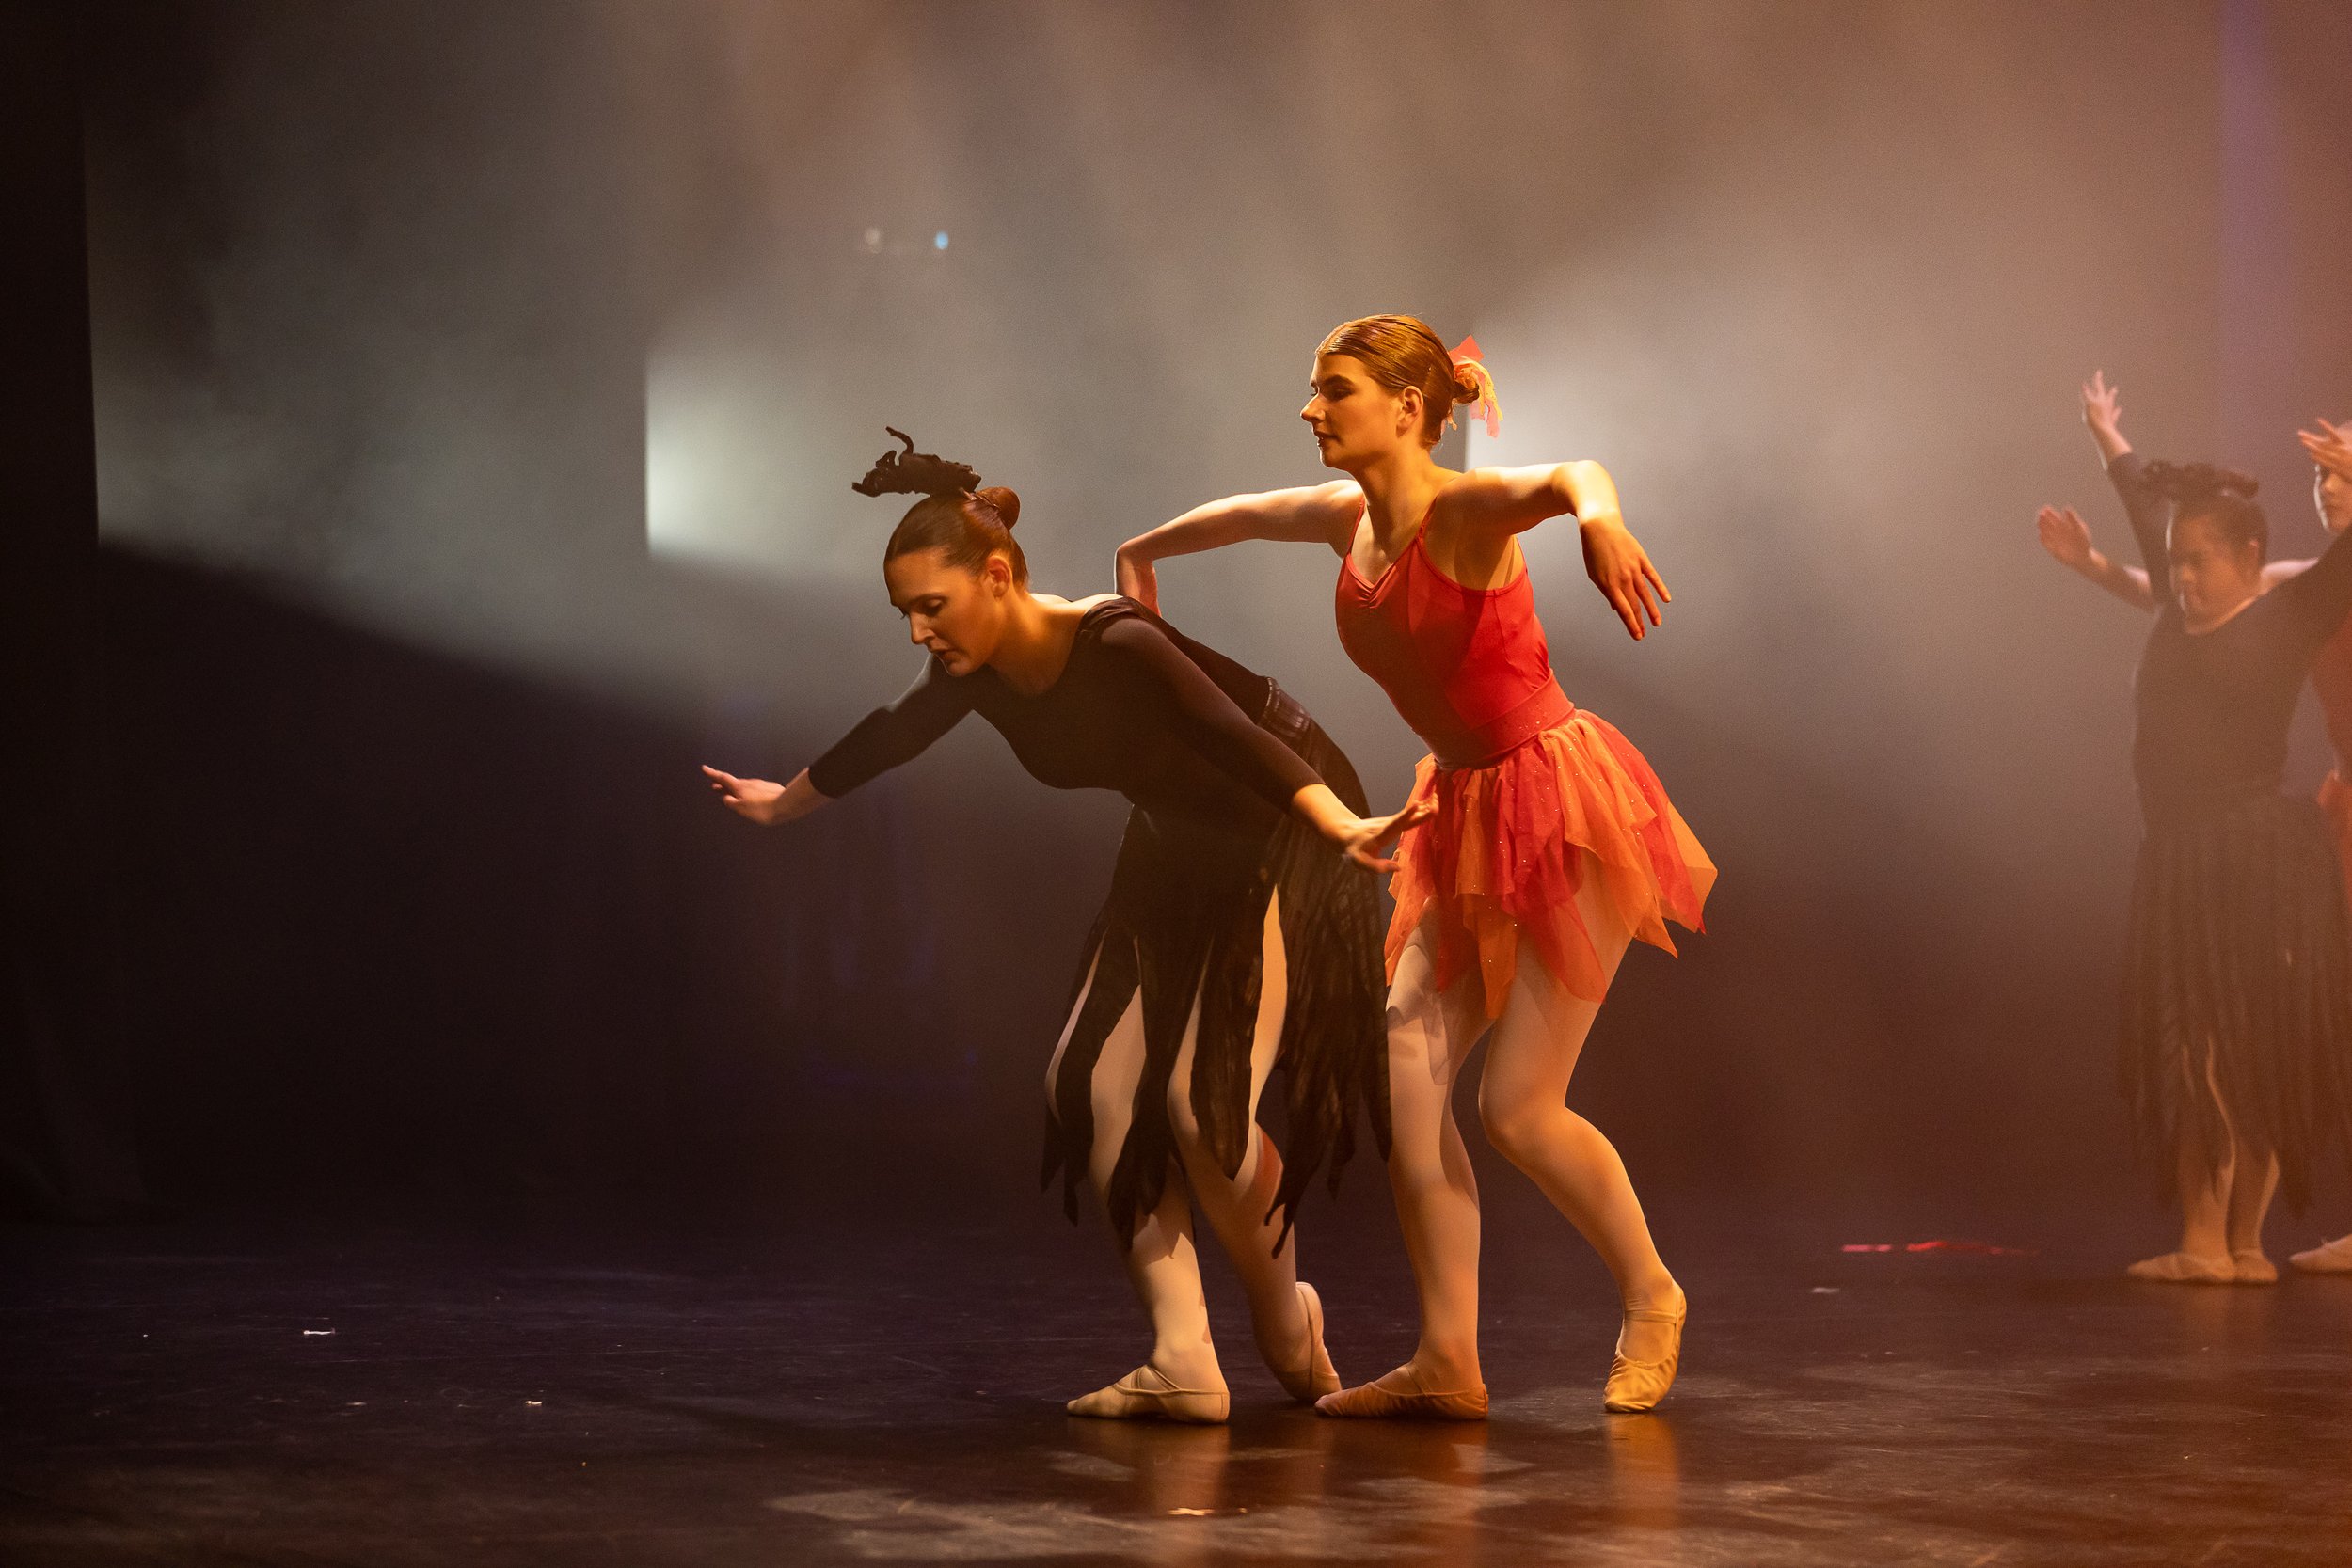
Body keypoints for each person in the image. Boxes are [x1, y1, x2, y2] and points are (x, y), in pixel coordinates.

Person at [707, 432, 1426, 1421]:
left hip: (1283, 820)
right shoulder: (973, 674)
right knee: (1088, 1083)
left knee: (1202, 1108)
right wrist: (783, 802)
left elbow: (1236, 736)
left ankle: (1284, 1318)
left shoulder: (1116, 642)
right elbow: (891, 731)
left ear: (996, 577)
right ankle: (1182, 1356)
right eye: (905, 612)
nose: (918, 632)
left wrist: (1336, 819)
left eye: (931, 605)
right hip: (1175, 837)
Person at [1116, 317, 1715, 1416]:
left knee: (1517, 1109)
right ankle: (1449, 1360)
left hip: (1560, 803)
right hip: (1459, 808)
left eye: (1333, 388)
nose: (1311, 409)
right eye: (1313, 388)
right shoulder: (1346, 518)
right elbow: (1240, 514)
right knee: (1407, 1092)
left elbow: (1572, 472)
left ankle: (1652, 1290)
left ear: (1407, 407)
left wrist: (1601, 521)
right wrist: (1140, 555)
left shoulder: (1463, 512)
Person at [2034, 375, 2352, 1283]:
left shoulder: (2292, 612)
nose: (2181, 578)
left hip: (2241, 854)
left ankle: (2217, 1241)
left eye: (2199, 563)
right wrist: (2105, 433)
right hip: (2198, 853)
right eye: (2175, 564)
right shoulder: (2182, 607)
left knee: (2221, 1039)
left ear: (2250, 556)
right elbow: (2146, 505)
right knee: (2228, 1038)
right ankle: (2237, 1246)